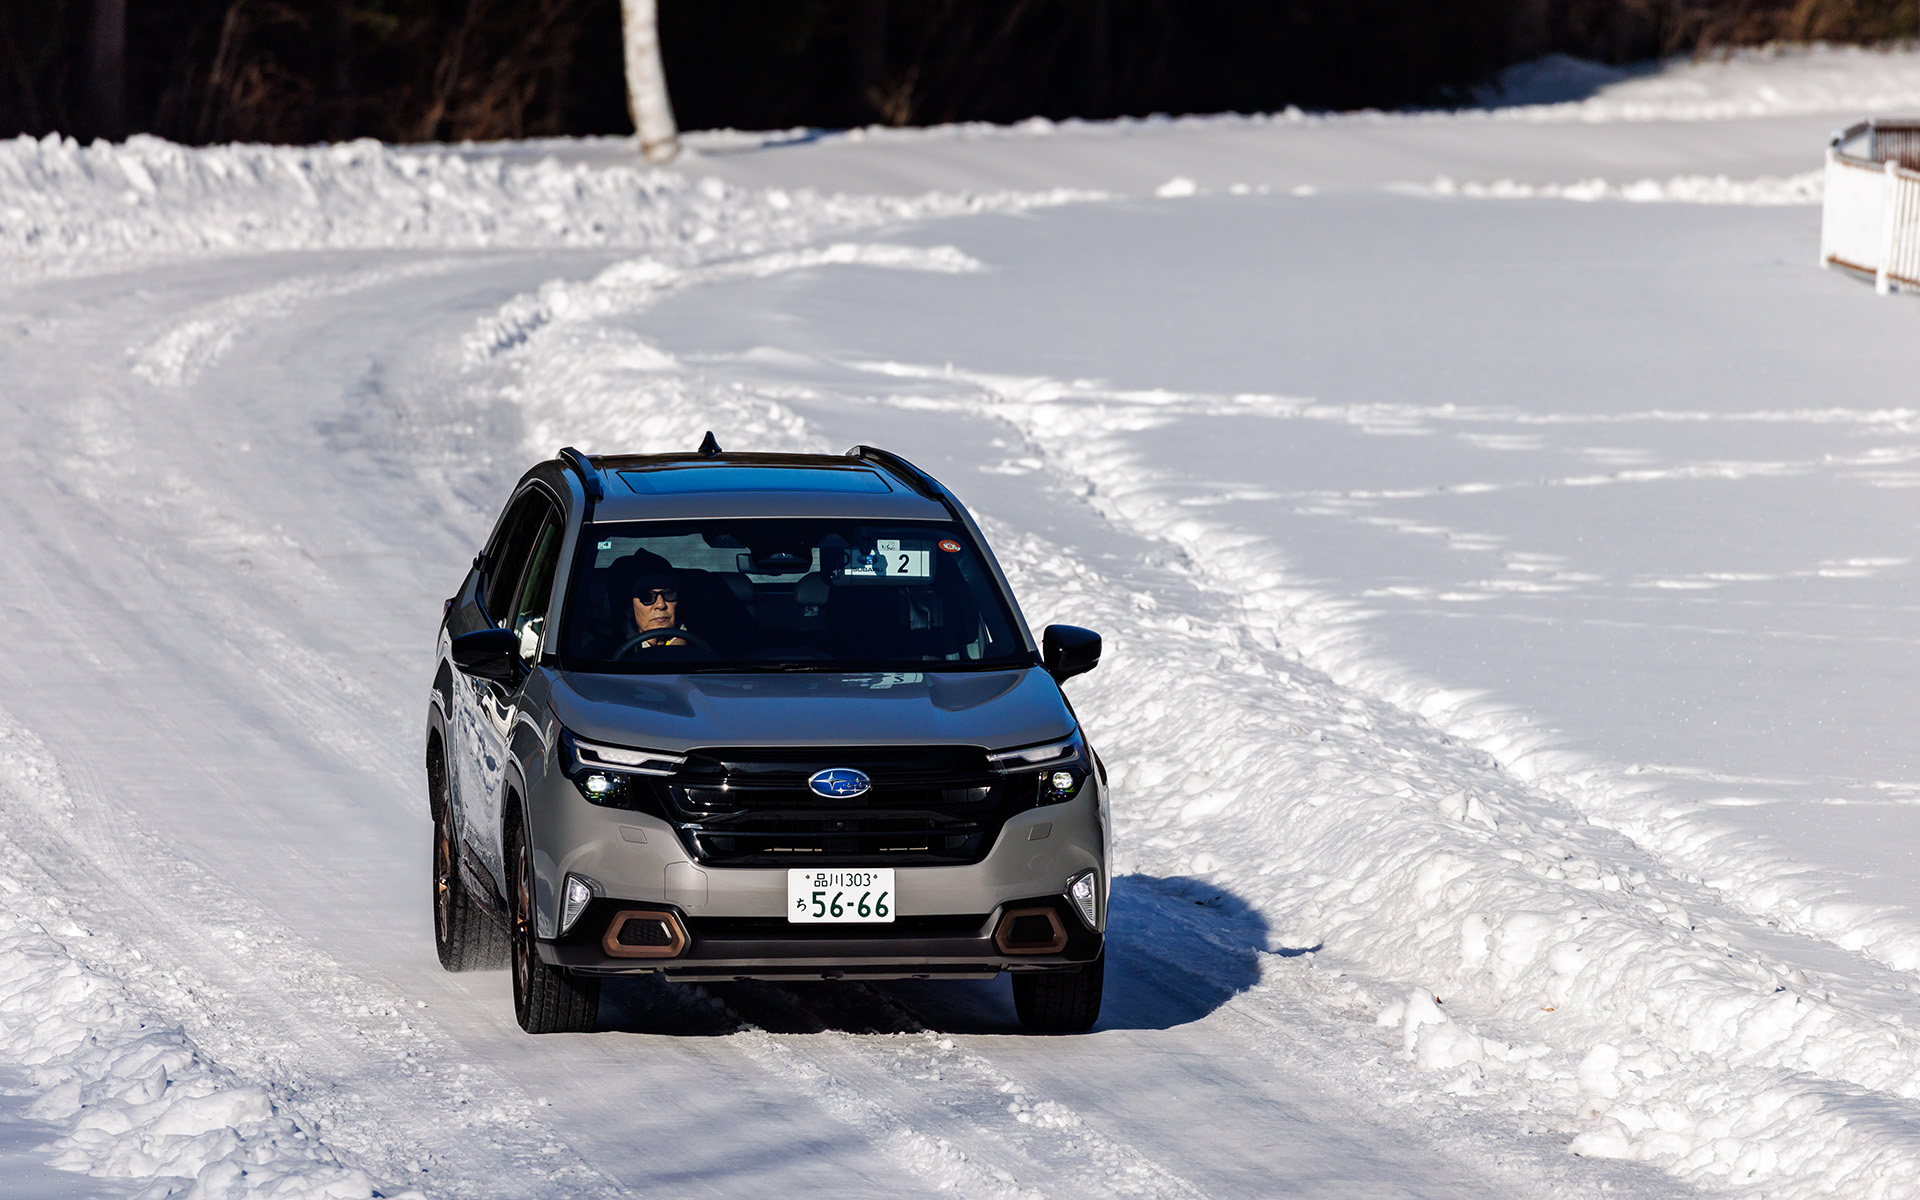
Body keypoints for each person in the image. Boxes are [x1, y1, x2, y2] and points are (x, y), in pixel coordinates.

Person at [628, 572, 687, 648]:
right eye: (647, 597)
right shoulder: (612, 649)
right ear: (628, 610)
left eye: (669, 594)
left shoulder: (699, 646)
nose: (661, 605)